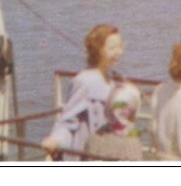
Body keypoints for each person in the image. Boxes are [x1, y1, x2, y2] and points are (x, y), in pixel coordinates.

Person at [41, 24, 124, 159]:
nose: (119, 52)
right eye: (112, 48)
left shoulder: (111, 80)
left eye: (120, 47)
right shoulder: (85, 81)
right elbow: (68, 121)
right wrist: (55, 140)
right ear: (98, 50)